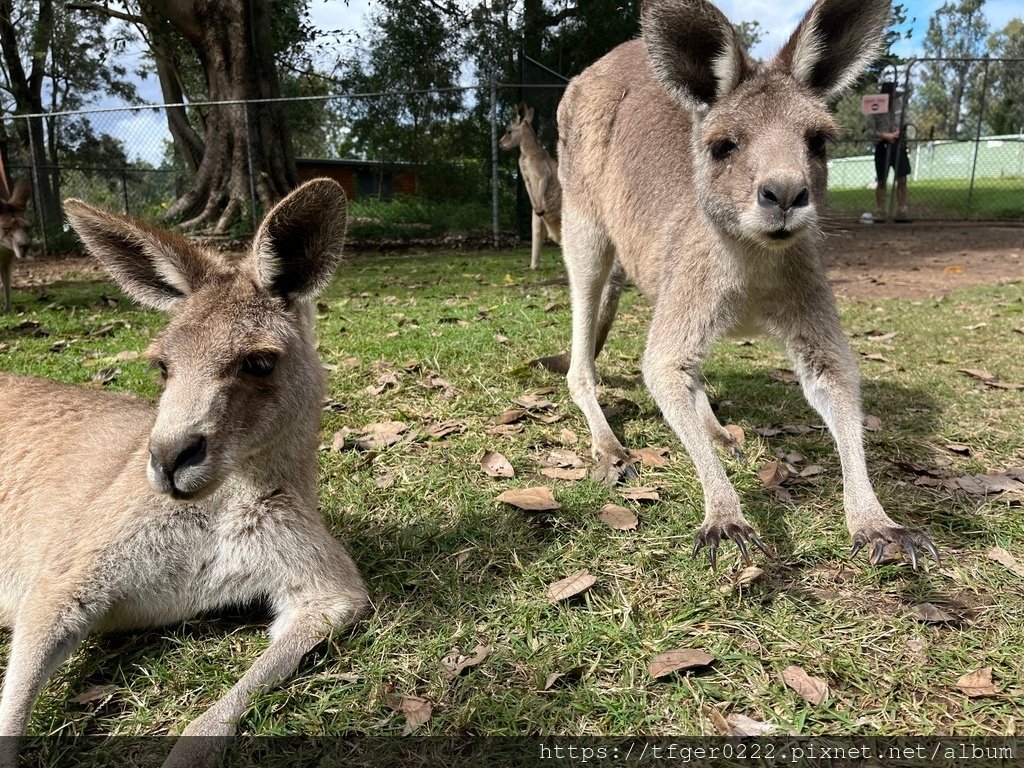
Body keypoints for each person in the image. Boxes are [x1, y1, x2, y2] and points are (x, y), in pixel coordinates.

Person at [867, 81, 911, 222]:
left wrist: (900, 131)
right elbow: (869, 130)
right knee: (881, 180)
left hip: (898, 145)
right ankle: (881, 211)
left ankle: (902, 210)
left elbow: (907, 122)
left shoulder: (899, 105)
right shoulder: (875, 106)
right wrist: (885, 135)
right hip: (882, 146)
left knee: (902, 179)